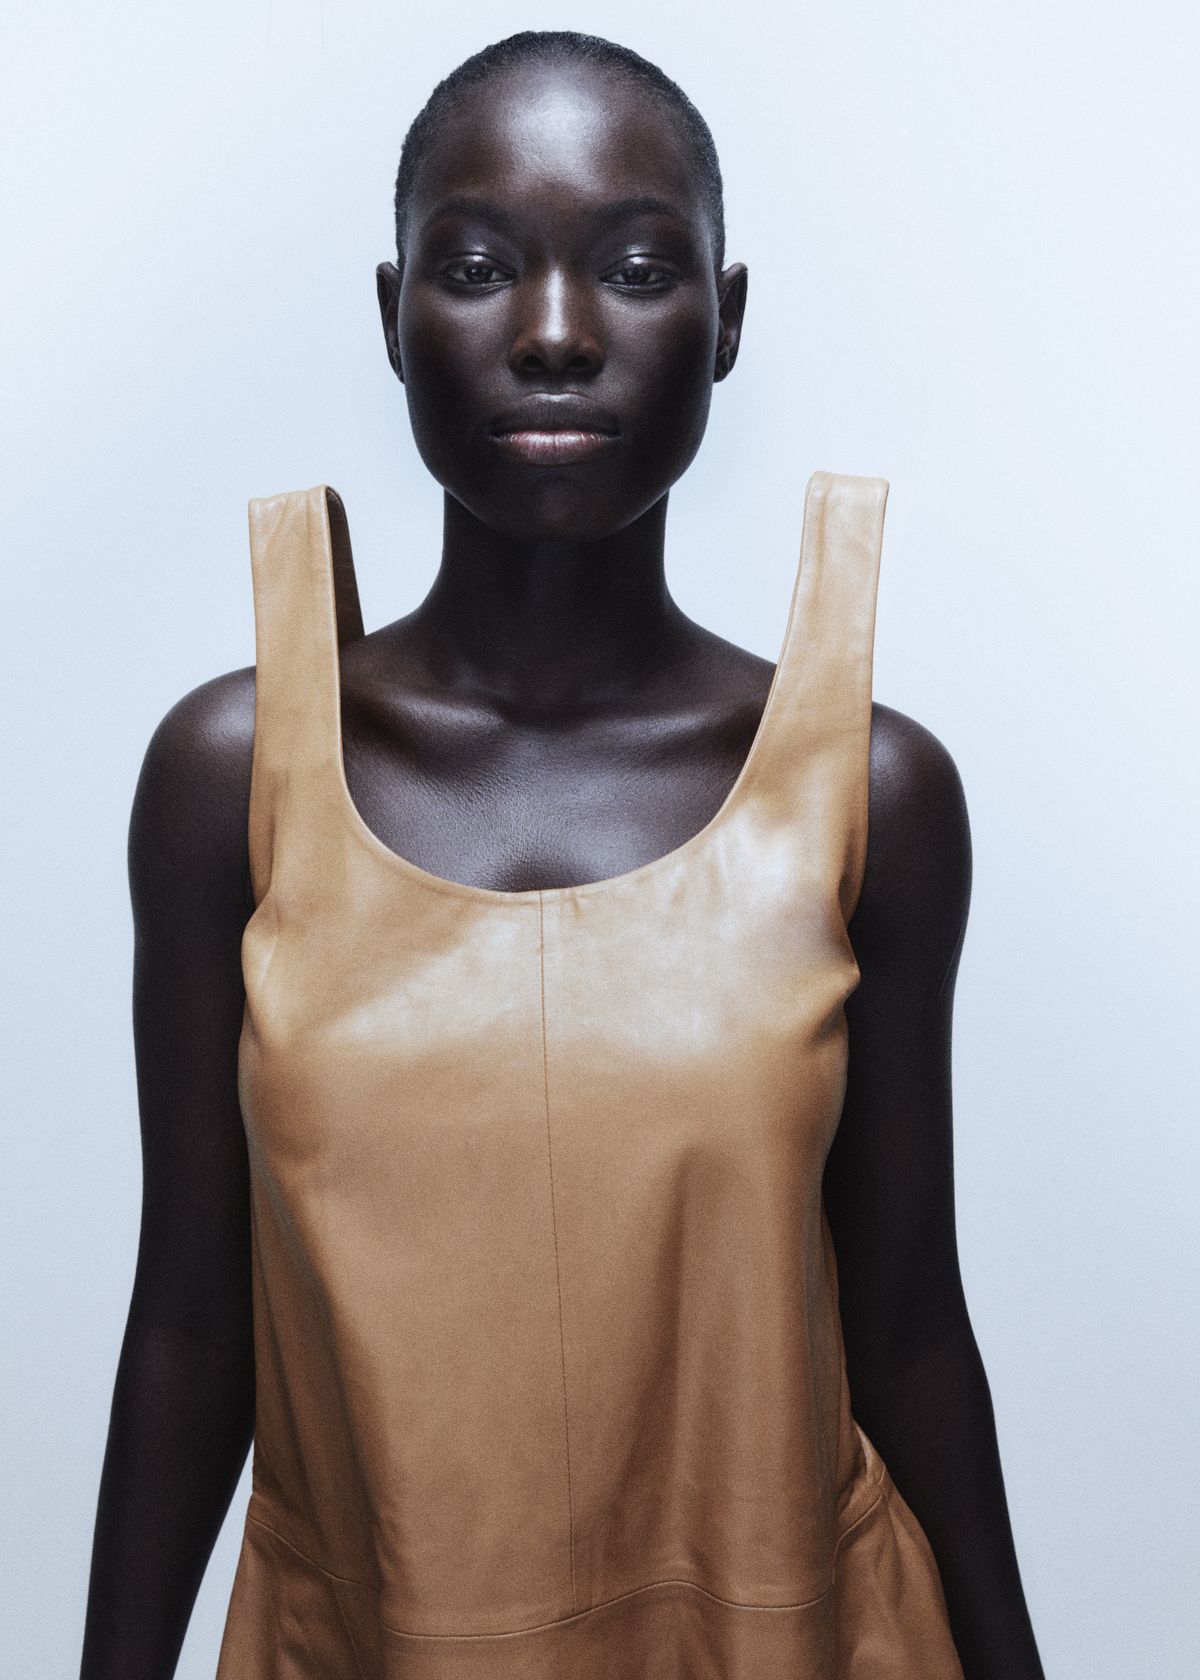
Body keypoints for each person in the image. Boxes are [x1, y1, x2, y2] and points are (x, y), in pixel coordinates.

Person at [80, 28, 1045, 1680]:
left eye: (637, 268)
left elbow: (906, 1327)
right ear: (389, 315)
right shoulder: (230, 779)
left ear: (726, 320)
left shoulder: (872, 791)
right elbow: (189, 1324)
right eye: (474, 268)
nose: (552, 333)